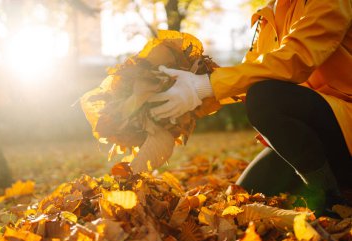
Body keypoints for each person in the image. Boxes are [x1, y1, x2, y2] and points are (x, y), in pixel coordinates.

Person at [148, 0, 352, 215]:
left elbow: (295, 59)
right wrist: (190, 100)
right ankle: (327, 181)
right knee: (243, 197)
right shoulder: (269, 14)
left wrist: (204, 86)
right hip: (314, 136)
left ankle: (330, 199)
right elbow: (250, 74)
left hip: (344, 127)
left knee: (265, 97)